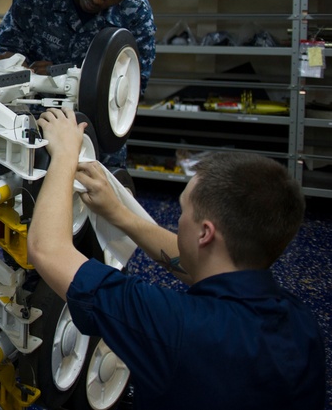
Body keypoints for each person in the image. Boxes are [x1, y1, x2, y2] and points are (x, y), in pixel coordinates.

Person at [28, 107, 325, 410]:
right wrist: (119, 214)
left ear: (205, 234)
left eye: (183, 211)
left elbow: (48, 249)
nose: (178, 220)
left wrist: (64, 155)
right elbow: (198, 261)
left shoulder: (173, 326)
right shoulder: (303, 326)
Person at [0, 0, 156, 168]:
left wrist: (66, 74)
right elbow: (3, 47)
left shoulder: (135, 12)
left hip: (96, 140)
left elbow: (136, 84)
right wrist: (20, 68)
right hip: (32, 129)